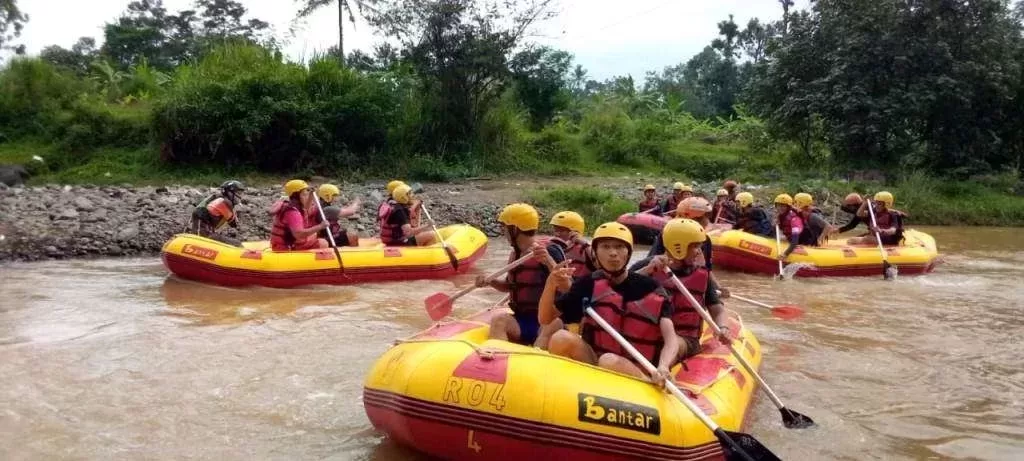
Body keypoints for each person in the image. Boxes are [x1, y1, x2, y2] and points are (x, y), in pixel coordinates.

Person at [538, 223, 679, 385]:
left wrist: (663, 366)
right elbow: (545, 318)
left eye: (619, 247)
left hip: (636, 371)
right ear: (596, 253)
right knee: (561, 338)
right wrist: (551, 284)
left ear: (628, 253)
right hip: (596, 365)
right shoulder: (588, 284)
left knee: (609, 361)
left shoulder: (651, 288)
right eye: (605, 247)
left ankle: (650, 383)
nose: (613, 253)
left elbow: (671, 338)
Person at [633, 219, 732, 361]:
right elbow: (618, 287)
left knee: (675, 343)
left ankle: (661, 371)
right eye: (695, 247)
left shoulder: (702, 275)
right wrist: (647, 270)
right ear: (678, 246)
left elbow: (717, 309)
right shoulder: (647, 266)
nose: (699, 252)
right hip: (649, 336)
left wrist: (723, 327)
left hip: (686, 340)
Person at [478, 204, 565, 346]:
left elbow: (567, 286)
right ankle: (498, 360)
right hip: (523, 320)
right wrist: (490, 281)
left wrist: (548, 260)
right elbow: (509, 286)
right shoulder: (515, 254)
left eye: (505, 228)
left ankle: (535, 358)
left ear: (515, 229)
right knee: (498, 320)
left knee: (553, 324)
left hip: (547, 321)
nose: (503, 232)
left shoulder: (550, 250)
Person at [270, 179, 329, 251]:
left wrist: (310, 196)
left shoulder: (290, 205)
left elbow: (306, 208)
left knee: (313, 235)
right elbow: (299, 235)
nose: (306, 197)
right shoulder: (292, 212)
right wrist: (320, 226)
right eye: (304, 194)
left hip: (284, 244)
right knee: (323, 243)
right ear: (296, 196)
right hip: (286, 248)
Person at [189, 180, 244, 246]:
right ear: (229, 193)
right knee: (237, 243)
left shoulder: (219, 200)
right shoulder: (222, 203)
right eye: (238, 193)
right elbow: (233, 223)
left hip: (207, 231)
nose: (240, 196)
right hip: (203, 235)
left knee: (231, 241)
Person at [549, 211, 596, 279]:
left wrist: (584, 243)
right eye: (555, 230)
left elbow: (600, 262)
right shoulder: (552, 247)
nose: (557, 234)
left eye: (561, 231)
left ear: (574, 232)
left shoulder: (584, 249)